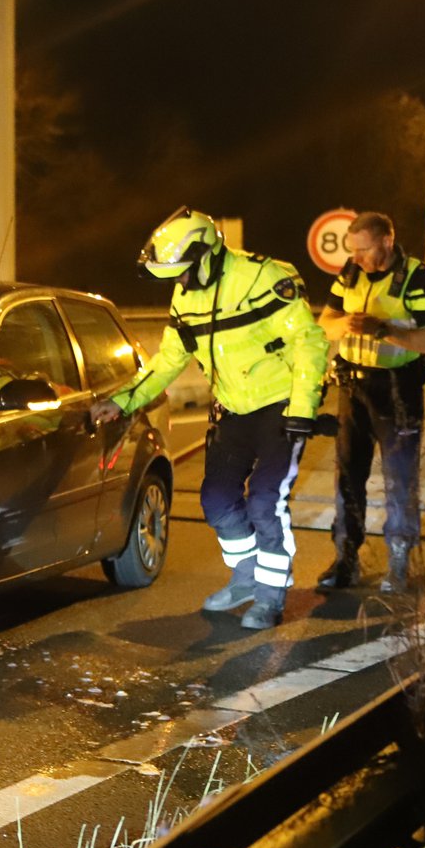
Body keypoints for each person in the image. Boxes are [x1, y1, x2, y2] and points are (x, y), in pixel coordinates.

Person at [91, 208, 328, 628]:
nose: (178, 282)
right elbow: (169, 360)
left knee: (265, 502)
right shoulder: (187, 293)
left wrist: (303, 409)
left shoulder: (264, 278)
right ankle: (246, 578)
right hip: (233, 408)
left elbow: (308, 340)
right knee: (217, 501)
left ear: (207, 256)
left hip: (281, 406)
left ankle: (270, 598)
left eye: (182, 272)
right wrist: (124, 401)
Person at [314, 212, 425, 594]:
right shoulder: (350, 272)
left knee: (399, 480)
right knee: (347, 479)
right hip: (352, 388)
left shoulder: (414, 276)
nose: (355, 258)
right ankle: (346, 559)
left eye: (363, 249)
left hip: (396, 391)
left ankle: (399, 563)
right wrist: (348, 325)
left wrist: (383, 330)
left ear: (387, 241)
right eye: (352, 250)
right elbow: (325, 324)